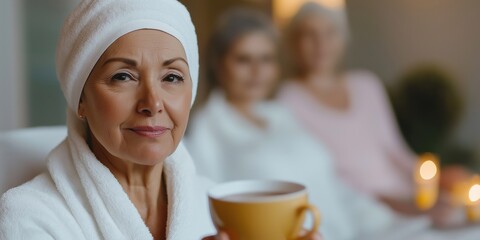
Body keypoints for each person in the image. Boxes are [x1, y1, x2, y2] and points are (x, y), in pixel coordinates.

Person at [185, 8, 444, 240]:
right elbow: (200, 207)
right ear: (219, 64)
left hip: (351, 229)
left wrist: (400, 214)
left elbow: (335, 185)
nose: (257, 71)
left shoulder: (280, 115)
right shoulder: (206, 130)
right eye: (243, 60)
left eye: (266, 59)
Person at [0, 0, 224, 239]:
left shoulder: (215, 204)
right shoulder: (30, 216)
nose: (153, 104)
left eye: (171, 78)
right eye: (123, 76)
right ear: (81, 99)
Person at [278, 2, 420, 214]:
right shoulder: (287, 99)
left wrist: (437, 179)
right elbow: (322, 175)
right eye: (310, 35)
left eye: (330, 33)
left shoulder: (367, 85)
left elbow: (395, 150)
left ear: (342, 39)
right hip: (358, 210)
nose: (321, 44)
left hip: (408, 196)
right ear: (293, 43)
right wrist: (394, 203)